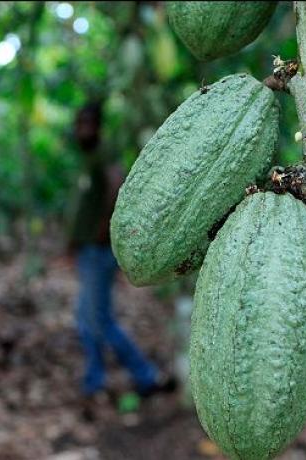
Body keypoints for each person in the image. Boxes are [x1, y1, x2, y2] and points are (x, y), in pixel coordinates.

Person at [68, 101, 175, 417]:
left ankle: (146, 376)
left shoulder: (103, 154)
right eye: (79, 124)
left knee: (98, 319)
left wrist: (105, 230)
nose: (81, 130)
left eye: (87, 124)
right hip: (88, 250)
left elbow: (116, 186)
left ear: (98, 127)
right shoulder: (87, 159)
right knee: (85, 318)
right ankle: (95, 380)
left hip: (98, 251)